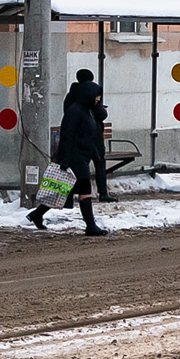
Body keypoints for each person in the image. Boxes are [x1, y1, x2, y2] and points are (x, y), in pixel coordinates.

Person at [26, 79, 108, 236]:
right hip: (75, 158)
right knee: (84, 191)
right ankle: (91, 226)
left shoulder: (88, 110)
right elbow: (66, 136)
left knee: (63, 190)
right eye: (96, 96)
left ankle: (37, 214)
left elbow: (92, 130)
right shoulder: (75, 111)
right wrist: (64, 161)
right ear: (88, 95)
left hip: (82, 156)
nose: (98, 99)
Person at [66, 69, 115, 202]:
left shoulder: (71, 95)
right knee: (99, 163)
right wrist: (100, 108)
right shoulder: (89, 96)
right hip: (93, 137)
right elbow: (101, 115)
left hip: (78, 139)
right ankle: (102, 193)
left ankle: (71, 195)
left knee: (79, 168)